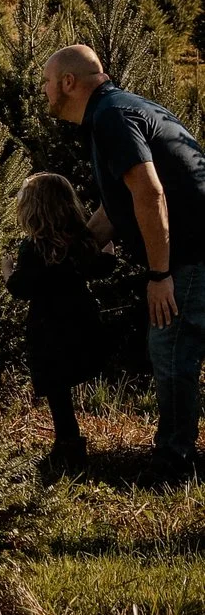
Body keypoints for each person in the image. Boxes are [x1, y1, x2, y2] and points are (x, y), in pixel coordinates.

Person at [43, 43, 205, 477]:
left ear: (68, 83)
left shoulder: (112, 118)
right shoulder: (115, 110)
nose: (42, 90)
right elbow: (119, 205)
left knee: (170, 349)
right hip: (189, 249)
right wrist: (74, 251)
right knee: (171, 348)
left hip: (191, 252)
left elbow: (150, 194)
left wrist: (160, 275)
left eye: (46, 81)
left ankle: (174, 461)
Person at [7, 173, 105, 475]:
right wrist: (110, 256)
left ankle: (69, 447)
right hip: (81, 321)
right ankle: (69, 445)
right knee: (64, 383)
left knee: (58, 390)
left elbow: (21, 288)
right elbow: (98, 269)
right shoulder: (80, 240)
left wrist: (6, 269)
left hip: (48, 329)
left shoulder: (33, 248)